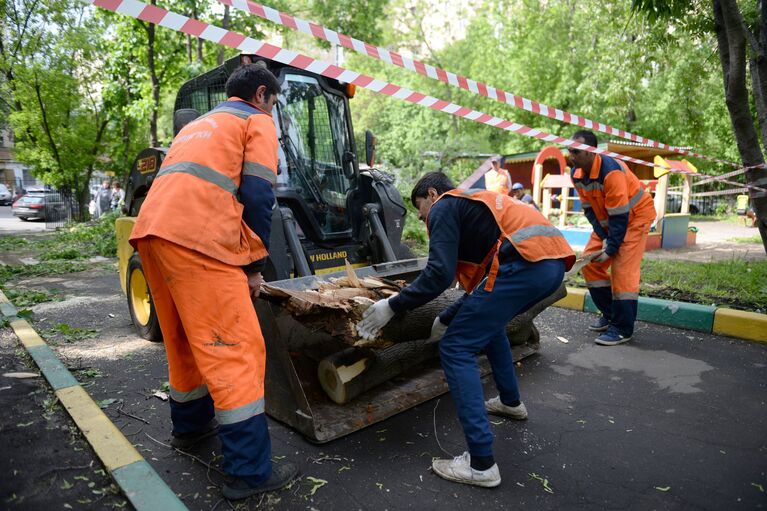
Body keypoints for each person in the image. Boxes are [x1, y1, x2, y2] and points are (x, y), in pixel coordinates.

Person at [128, 62, 299, 499]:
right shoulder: (255, 120)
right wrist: (254, 266)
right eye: (274, 102)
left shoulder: (200, 125)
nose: (273, 111)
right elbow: (260, 194)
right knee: (236, 350)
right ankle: (248, 474)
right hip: (198, 239)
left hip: (152, 235)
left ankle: (189, 429)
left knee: (185, 339)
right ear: (262, 95)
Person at [356, 172, 575, 488]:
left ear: (432, 194)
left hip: (525, 265)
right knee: (492, 326)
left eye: (421, 210)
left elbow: (439, 274)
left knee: (455, 348)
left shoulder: (446, 205)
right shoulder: (477, 210)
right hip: (548, 265)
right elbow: (483, 290)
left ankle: (481, 463)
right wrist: (445, 317)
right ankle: (511, 402)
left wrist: (392, 305)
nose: (423, 219)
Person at [568, 130, 656, 346]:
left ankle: (622, 328)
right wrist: (602, 236)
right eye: (569, 150)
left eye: (575, 151)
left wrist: (610, 247)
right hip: (612, 222)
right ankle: (610, 315)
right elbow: (589, 210)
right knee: (588, 262)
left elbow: (620, 215)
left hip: (635, 219)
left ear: (591, 153)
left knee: (622, 271)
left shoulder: (611, 171)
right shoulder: (576, 173)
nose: (571, 155)